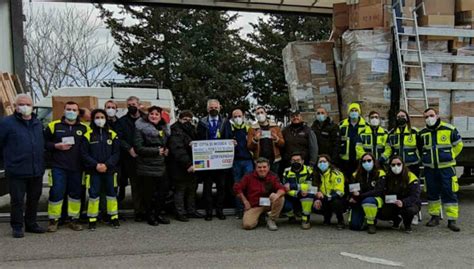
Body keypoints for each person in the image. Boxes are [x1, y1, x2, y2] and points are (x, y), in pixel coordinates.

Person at [0, 94, 46, 238]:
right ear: (15, 106)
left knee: (34, 199)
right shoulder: (6, 123)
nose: (24, 107)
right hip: (17, 170)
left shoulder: (37, 123)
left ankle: (31, 224)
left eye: (27, 104)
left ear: (32, 106)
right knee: (17, 201)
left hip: (36, 170)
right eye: (21, 104)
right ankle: (17, 226)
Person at [44, 101, 89, 232]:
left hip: (77, 168)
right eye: (69, 109)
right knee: (56, 193)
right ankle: (54, 220)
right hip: (59, 167)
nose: (71, 112)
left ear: (78, 112)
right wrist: (55, 146)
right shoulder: (53, 126)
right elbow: (44, 143)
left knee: (75, 195)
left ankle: (74, 219)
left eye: (74, 110)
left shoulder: (84, 128)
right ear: (63, 111)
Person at [420, 108, 463, 232]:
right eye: (426, 117)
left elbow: (459, 144)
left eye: (431, 115)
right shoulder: (422, 133)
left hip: (447, 169)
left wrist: (450, 156)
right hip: (430, 169)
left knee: (449, 193)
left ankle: (452, 220)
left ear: (437, 115)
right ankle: (435, 216)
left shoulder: (449, 129)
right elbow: (419, 148)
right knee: (432, 193)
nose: (429, 118)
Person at [81, 109, 120, 230]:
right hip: (94, 171)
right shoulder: (88, 135)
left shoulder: (112, 134)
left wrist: (107, 165)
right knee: (93, 195)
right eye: (97, 117)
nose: (100, 120)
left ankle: (113, 217)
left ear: (106, 118)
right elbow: (84, 154)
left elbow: (116, 153)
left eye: (102, 117)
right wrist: (96, 165)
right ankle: (92, 219)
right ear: (93, 119)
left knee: (111, 194)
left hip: (109, 171)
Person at [134, 106, 170, 226]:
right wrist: (156, 151)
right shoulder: (140, 128)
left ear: (160, 116)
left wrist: (166, 150)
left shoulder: (164, 128)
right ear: (147, 115)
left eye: (157, 114)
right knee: (148, 194)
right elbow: (139, 148)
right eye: (152, 114)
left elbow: (165, 144)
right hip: (147, 166)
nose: (154, 116)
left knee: (163, 192)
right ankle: (150, 215)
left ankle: (158, 214)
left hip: (161, 166)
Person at [168, 110, 204, 222]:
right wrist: (188, 164)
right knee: (180, 189)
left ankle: (191, 210)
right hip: (180, 165)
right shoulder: (175, 131)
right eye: (185, 120)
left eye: (189, 120)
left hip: (193, 164)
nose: (187, 122)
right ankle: (180, 212)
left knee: (192, 188)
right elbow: (178, 150)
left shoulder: (192, 130)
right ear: (179, 119)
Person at [196, 99, 228, 221]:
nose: (213, 109)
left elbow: (228, 137)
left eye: (215, 107)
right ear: (207, 109)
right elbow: (198, 138)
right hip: (207, 161)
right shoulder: (202, 122)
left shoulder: (225, 122)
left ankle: (219, 211)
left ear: (220, 108)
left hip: (221, 161)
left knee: (221, 187)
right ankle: (208, 211)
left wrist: (232, 142)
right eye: (211, 107)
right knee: (207, 188)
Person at [234, 157, 286, 231]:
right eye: (259, 167)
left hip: (268, 203)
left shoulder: (273, 176)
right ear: (256, 168)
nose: (262, 169)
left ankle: (271, 219)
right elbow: (237, 188)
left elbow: (282, 189)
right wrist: (245, 201)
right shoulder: (248, 177)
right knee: (247, 225)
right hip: (254, 205)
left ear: (268, 167)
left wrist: (277, 195)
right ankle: (260, 217)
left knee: (280, 197)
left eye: (264, 167)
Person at [116, 96, 144, 221]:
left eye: (134, 104)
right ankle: (138, 212)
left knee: (148, 186)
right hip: (129, 158)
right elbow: (119, 138)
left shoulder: (146, 119)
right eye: (129, 105)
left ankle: (149, 210)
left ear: (139, 105)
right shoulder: (122, 121)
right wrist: (129, 148)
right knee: (136, 186)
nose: (131, 106)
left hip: (145, 156)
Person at [222, 108, 254, 219]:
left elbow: (253, 143)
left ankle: (249, 208)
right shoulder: (228, 127)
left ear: (243, 116)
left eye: (239, 116)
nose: (237, 118)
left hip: (248, 160)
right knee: (237, 186)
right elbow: (223, 140)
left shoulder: (248, 127)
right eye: (235, 116)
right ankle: (239, 209)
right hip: (235, 161)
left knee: (250, 185)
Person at [377, 156, 421, 233]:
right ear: (390, 166)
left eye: (398, 164)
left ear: (403, 164)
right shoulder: (387, 177)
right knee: (379, 212)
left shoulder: (411, 176)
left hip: (409, 203)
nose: (396, 166)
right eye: (393, 165)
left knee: (409, 210)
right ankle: (397, 220)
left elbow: (415, 196)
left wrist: (403, 202)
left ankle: (407, 225)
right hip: (393, 202)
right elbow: (383, 191)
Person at [348, 153, 385, 234]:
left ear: (374, 161)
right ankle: (364, 218)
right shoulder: (355, 174)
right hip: (359, 200)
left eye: (369, 160)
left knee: (368, 201)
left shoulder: (380, 173)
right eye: (364, 161)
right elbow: (352, 189)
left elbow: (378, 191)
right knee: (355, 226)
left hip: (375, 199)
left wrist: (360, 196)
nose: (366, 163)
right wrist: (353, 196)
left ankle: (371, 224)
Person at [309, 155, 345, 229]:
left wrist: (327, 197)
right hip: (323, 197)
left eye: (324, 161)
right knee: (311, 202)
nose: (322, 163)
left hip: (336, 197)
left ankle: (340, 220)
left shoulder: (336, 174)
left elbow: (340, 192)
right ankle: (327, 217)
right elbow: (312, 188)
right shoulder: (315, 174)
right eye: (320, 162)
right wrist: (316, 198)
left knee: (336, 202)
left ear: (329, 163)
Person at [247, 106, 285, 174]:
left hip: (274, 160)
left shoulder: (275, 127)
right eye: (258, 113)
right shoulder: (252, 129)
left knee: (274, 181)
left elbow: (282, 144)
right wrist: (255, 140)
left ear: (266, 113)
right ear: (256, 116)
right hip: (259, 161)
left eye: (262, 112)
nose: (260, 115)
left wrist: (276, 139)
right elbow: (249, 147)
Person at [281, 152, 313, 229]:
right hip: (292, 195)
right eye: (293, 160)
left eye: (298, 160)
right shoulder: (286, 171)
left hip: (305, 194)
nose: (296, 162)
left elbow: (310, 186)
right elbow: (285, 188)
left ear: (302, 161)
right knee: (283, 201)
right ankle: (291, 216)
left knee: (309, 194)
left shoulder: (309, 170)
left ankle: (305, 219)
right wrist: (297, 193)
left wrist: (293, 186)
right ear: (290, 162)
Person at [387, 109, 421, 176]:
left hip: (413, 165)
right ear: (396, 119)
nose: (401, 118)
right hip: (397, 166)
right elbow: (389, 149)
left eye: (403, 116)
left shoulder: (415, 132)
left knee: (412, 185)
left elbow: (421, 148)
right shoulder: (391, 133)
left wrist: (419, 160)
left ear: (407, 118)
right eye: (399, 117)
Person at [338, 103, 367, 179]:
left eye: (356, 110)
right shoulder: (342, 125)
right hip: (345, 159)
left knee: (357, 178)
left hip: (359, 159)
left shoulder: (366, 126)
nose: (354, 112)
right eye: (352, 110)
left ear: (359, 112)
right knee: (346, 179)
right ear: (349, 112)